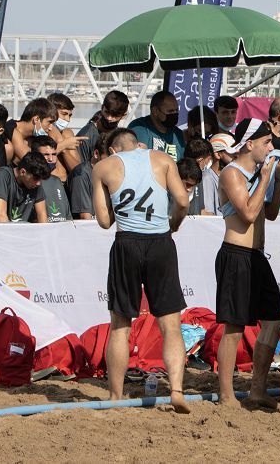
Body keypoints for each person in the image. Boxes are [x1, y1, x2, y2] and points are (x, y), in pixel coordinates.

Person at [91, 127, 191, 414]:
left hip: (127, 242)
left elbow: (103, 221)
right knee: (170, 324)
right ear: (140, 145)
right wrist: (174, 223)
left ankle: (115, 396)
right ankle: (176, 390)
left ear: (113, 150)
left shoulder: (103, 167)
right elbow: (183, 201)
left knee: (120, 325)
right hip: (160, 241)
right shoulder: (161, 159)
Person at [213, 118, 280, 410]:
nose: (271, 148)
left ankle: (258, 388)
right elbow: (247, 214)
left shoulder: (258, 173)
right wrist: (267, 177)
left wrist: (277, 179)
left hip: (256, 256)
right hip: (236, 254)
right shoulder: (232, 173)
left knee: (274, 321)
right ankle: (226, 393)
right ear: (250, 144)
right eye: (267, 142)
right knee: (234, 326)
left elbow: (269, 213)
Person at [0, 151, 49, 223]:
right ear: (23, 172)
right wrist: (13, 234)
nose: (39, 183)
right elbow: (0, 216)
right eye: (36, 179)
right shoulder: (2, 176)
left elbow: (42, 215)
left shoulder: (35, 183)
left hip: (21, 231)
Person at [128, 91, 186, 161]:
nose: (174, 114)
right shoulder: (139, 127)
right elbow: (139, 160)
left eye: (176, 110)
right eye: (170, 111)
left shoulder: (177, 134)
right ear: (155, 111)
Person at [76, 90, 129, 163]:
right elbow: (81, 169)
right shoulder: (86, 136)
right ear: (102, 108)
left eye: (115, 115)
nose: (109, 118)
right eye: (107, 112)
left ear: (123, 115)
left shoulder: (120, 136)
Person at [28, 136, 72, 223]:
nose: (51, 159)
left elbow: (68, 217)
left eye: (54, 154)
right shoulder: (29, 182)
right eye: (46, 155)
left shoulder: (57, 181)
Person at [70, 136, 107, 219]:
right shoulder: (81, 175)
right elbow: (85, 217)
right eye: (108, 159)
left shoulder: (110, 172)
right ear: (96, 154)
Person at [47, 92, 81, 178]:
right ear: (52, 111)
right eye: (64, 114)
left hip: (65, 184)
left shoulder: (67, 134)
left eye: (70, 115)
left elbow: (77, 169)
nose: (68, 119)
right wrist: (63, 145)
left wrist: (64, 150)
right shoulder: (40, 133)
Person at [184, 138, 215, 215]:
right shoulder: (180, 176)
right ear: (200, 160)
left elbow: (201, 210)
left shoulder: (199, 178)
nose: (208, 163)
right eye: (208, 160)